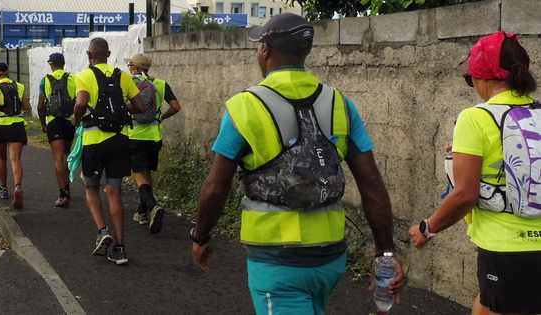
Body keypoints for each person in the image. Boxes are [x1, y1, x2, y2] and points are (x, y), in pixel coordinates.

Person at [188, 13, 404, 314]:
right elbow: (372, 185)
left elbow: (216, 187)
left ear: (265, 50)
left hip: (277, 260)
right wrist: (386, 253)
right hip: (329, 258)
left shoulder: (244, 107)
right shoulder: (340, 103)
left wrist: (200, 236)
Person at [409, 32, 541, 315]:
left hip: (505, 249)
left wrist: (427, 228)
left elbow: (465, 195)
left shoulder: (475, 117)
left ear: (483, 78)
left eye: (471, 79)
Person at [73, 38, 145, 265]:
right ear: (109, 53)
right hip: (119, 139)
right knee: (114, 191)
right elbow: (141, 107)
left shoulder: (84, 76)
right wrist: (123, 109)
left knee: (91, 187)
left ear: (89, 54)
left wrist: (77, 119)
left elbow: (81, 103)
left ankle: (102, 231)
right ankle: (121, 247)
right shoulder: (123, 75)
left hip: (94, 141)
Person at [124, 53, 182, 234]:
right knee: (147, 171)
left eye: (130, 65)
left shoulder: (130, 83)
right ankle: (142, 212)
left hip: (134, 135)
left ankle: (153, 205)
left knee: (138, 174)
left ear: (135, 67)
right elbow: (176, 106)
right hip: (154, 136)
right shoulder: (161, 84)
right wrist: (160, 117)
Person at [0, 62, 31, 209]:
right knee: (15, 159)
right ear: (7, 72)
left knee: (1, 157)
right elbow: (26, 107)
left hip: (0, 124)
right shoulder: (20, 86)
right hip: (17, 124)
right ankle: (17, 187)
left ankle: (3, 189)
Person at [37, 53, 77, 208]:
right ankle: (67, 189)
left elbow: (41, 106)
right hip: (69, 122)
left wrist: (43, 124)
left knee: (58, 158)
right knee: (66, 156)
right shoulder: (74, 78)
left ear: (51, 64)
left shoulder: (45, 80)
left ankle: (63, 194)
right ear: (63, 63)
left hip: (53, 122)